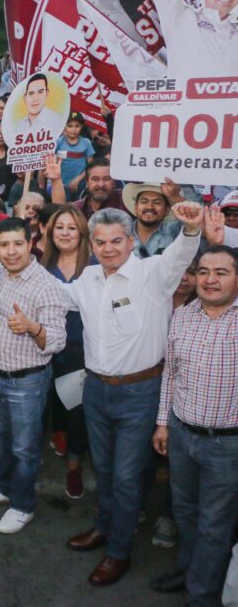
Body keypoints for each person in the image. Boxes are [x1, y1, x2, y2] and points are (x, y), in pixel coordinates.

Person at [63, 203, 204, 587]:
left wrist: (191, 229)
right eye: (101, 242)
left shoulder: (153, 273)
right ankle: (104, 528)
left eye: (116, 241)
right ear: (91, 244)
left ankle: (119, 552)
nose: (108, 248)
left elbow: (181, 253)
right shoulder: (88, 279)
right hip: (95, 391)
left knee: (126, 476)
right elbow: (55, 295)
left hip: (141, 392)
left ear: (130, 242)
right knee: (105, 470)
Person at [146, 243, 238, 602]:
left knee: (215, 525)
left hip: (227, 445)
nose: (210, 280)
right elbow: (171, 374)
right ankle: (188, 571)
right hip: (181, 434)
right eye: (203, 272)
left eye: (221, 272)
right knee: (184, 511)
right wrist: (163, 423)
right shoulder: (183, 316)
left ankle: (202, 595)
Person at [0, 217, 68, 533]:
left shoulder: (47, 286)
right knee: (3, 438)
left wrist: (32, 327)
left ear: (31, 244)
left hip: (27, 381)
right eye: (3, 245)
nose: (11, 252)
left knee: (26, 448)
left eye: (17, 244)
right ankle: (2, 487)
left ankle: (22, 505)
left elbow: (55, 340)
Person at [41, 206, 95, 499]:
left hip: (81, 349)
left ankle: (74, 467)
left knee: (76, 410)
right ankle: (56, 435)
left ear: (82, 232)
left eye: (71, 227)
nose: (65, 232)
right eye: (59, 227)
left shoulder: (95, 265)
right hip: (44, 347)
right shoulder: (42, 264)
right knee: (51, 402)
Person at [122, 183, 182, 258]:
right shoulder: (121, 233)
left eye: (157, 202)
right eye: (144, 201)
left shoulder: (176, 233)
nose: (149, 207)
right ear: (136, 207)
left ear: (166, 210)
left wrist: (177, 198)